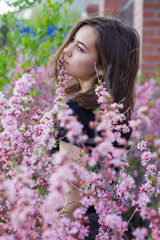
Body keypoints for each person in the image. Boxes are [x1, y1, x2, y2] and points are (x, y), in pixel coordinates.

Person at [40, 16, 140, 239]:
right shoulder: (117, 117)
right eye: (72, 41)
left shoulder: (72, 113)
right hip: (105, 226)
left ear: (103, 67)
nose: (66, 50)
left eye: (81, 48)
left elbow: (72, 203)